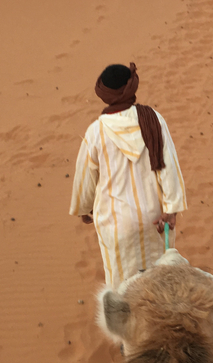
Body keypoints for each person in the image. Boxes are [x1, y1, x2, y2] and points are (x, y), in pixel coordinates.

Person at [70, 62, 187, 288]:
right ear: (132, 87)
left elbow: (85, 177)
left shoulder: (96, 131)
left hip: (116, 224)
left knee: (123, 294)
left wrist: (84, 208)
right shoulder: (153, 119)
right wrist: (171, 209)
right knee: (160, 288)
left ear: (104, 94)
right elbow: (169, 166)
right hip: (154, 220)